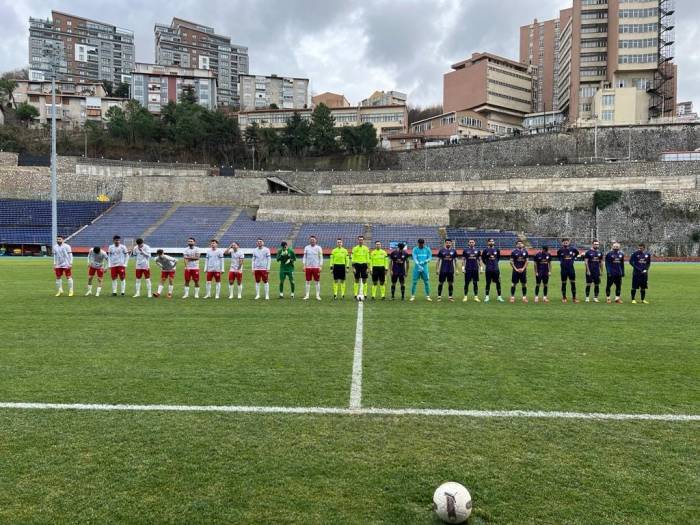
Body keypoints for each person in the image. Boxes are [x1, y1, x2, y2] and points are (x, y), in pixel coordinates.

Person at [557, 238, 580, 303]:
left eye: (567, 242)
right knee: (564, 283)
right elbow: (559, 257)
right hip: (563, 269)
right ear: (562, 243)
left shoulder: (573, 249)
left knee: (573, 283)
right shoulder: (560, 250)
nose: (565, 243)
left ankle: (574, 298)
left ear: (569, 242)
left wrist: (574, 258)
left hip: (571, 269)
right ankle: (564, 297)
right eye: (564, 242)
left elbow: (577, 253)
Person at [481, 238, 504, 303]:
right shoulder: (485, 250)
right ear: (488, 243)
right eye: (490, 241)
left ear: (494, 242)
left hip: (496, 269)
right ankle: (487, 296)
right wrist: (487, 264)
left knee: (498, 282)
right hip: (488, 269)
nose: (491, 242)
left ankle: (499, 297)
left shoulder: (497, 250)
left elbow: (498, 258)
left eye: (492, 241)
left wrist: (495, 263)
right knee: (488, 283)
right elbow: (483, 259)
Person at [410, 238, 432, 302]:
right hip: (417, 268)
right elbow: (414, 257)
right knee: (414, 282)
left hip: (425, 268)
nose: (421, 245)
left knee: (426, 282)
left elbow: (430, 257)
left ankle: (428, 296)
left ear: (424, 243)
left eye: (422, 244)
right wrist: (418, 264)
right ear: (418, 243)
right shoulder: (415, 249)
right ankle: (412, 296)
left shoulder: (427, 249)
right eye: (420, 244)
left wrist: (425, 261)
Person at [303, 235, 323, 301]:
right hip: (308, 267)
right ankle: (307, 295)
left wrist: (320, 266)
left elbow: (321, 257)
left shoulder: (319, 248)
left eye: (313, 240)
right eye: (311, 240)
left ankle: (317, 295)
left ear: (316, 240)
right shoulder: (306, 247)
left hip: (316, 267)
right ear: (309, 240)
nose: (312, 241)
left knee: (317, 281)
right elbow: (304, 257)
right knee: (307, 281)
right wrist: (304, 265)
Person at [351, 235, 370, 300]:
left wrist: (368, 268)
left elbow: (368, 259)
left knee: (364, 280)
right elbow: (352, 259)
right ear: (358, 240)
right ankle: (355, 295)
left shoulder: (366, 248)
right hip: (357, 265)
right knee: (356, 280)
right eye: (359, 240)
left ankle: (365, 295)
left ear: (363, 241)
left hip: (364, 265)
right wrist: (353, 267)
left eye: (362, 240)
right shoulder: (354, 248)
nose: (360, 241)